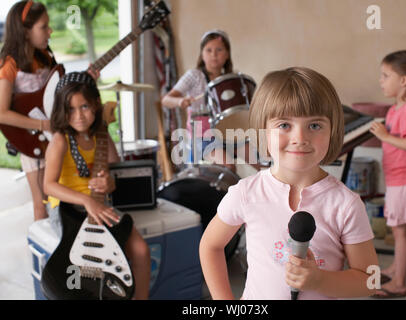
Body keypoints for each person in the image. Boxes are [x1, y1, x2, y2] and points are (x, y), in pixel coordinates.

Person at [199, 67, 379, 300]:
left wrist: (319, 280)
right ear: (263, 133)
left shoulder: (346, 204)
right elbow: (210, 246)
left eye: (314, 125)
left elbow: (370, 280)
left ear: (332, 132)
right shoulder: (245, 193)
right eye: (284, 125)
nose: (300, 138)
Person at [43, 72, 150, 300]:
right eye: (71, 109)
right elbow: (48, 185)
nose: (79, 116)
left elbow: (113, 171)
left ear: (96, 105)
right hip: (67, 206)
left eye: (84, 107)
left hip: (97, 206)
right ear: (62, 110)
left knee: (141, 250)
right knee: (84, 256)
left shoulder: (101, 137)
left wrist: (108, 183)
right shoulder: (60, 140)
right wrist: (86, 200)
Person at [0, 1, 98, 221]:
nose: (50, 31)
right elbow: (1, 112)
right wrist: (43, 125)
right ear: (25, 31)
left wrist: (85, 81)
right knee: (41, 204)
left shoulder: (44, 57)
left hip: (55, 137)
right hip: (32, 139)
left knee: (59, 196)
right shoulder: (9, 65)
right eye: (44, 27)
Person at [370, 50, 406, 298]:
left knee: (399, 232)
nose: (381, 81)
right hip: (399, 178)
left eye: (385, 76)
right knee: (403, 229)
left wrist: (385, 136)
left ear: (404, 80)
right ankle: (397, 267)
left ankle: (399, 283)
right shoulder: (396, 108)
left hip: (405, 180)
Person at [161, 29, 244, 171]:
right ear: (202, 54)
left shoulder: (230, 79)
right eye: (209, 50)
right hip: (202, 137)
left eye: (219, 50)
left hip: (229, 134)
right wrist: (180, 101)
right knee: (228, 165)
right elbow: (166, 100)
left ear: (227, 54)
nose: (214, 55)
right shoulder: (194, 75)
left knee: (263, 161)